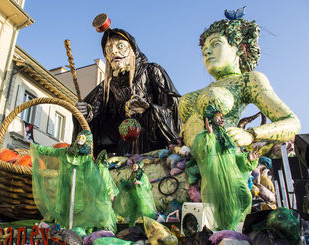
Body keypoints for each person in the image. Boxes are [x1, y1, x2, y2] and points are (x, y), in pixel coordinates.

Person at [179, 18, 301, 150]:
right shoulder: (203, 90)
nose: (207, 52)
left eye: (216, 44)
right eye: (204, 51)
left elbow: (292, 122)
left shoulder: (248, 80)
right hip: (185, 157)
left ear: (239, 49)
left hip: (221, 155)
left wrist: (251, 135)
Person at [74, 28, 181, 156]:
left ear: (132, 49)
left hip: (153, 147)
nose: (113, 51)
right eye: (108, 49)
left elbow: (173, 111)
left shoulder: (152, 71)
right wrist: (86, 114)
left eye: (120, 46)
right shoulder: (107, 86)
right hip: (124, 148)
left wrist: (148, 109)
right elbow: (96, 116)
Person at [30, 130, 117, 233]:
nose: (80, 140)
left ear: (87, 142)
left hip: (79, 192)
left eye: (83, 138)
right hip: (65, 189)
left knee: (80, 214)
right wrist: (36, 147)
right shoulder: (64, 152)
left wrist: (102, 191)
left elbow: (93, 177)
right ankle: (62, 233)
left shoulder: (86, 159)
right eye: (79, 137)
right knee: (63, 212)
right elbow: (51, 151)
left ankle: (80, 235)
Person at [192, 105, 259, 230]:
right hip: (217, 178)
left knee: (246, 197)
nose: (222, 120)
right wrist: (210, 136)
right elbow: (202, 154)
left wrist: (247, 158)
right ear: (210, 119)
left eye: (222, 117)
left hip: (233, 177)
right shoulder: (203, 136)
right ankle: (225, 231)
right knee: (223, 207)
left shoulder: (226, 137)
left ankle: (234, 227)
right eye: (218, 117)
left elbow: (234, 156)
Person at [113, 161, 157, 226]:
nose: (134, 167)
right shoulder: (132, 175)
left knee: (143, 211)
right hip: (133, 197)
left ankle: (146, 226)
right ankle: (132, 227)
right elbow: (129, 183)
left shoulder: (143, 175)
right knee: (133, 213)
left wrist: (140, 183)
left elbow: (147, 185)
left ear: (139, 167)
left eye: (136, 166)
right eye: (133, 166)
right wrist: (124, 182)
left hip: (140, 197)